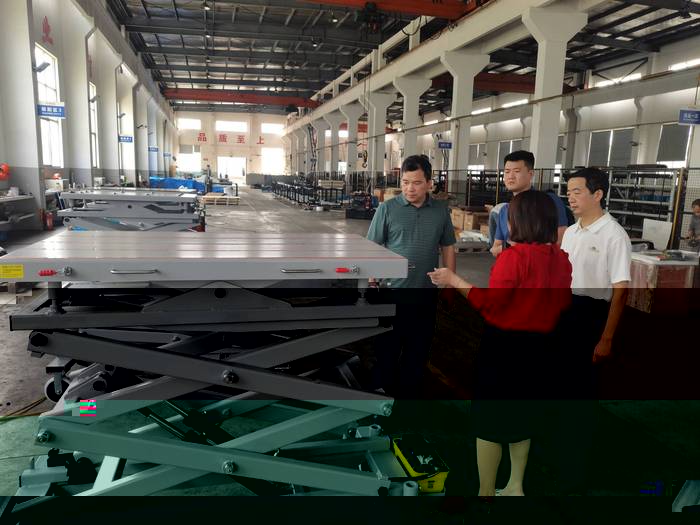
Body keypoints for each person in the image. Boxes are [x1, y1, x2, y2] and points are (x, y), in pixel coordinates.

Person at [429, 191, 572, 497]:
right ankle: (515, 485)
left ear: (518, 221)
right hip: (542, 348)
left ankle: (486, 492)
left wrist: (453, 279)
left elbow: (491, 304)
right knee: (523, 416)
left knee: (490, 421)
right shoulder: (561, 259)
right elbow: (562, 304)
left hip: (505, 349)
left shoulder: (514, 258)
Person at [556, 167, 632, 494]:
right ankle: (560, 456)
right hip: (566, 315)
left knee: (582, 396)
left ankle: (576, 470)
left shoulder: (613, 235)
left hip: (591, 319)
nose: (570, 198)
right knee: (562, 390)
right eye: (569, 192)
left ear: (598, 194)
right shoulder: (572, 232)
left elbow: (621, 290)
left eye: (577, 192)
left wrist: (606, 338)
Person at [366, 154, 456, 397]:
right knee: (387, 346)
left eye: (416, 183)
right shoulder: (387, 209)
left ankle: (409, 395)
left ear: (429, 183)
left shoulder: (440, 211)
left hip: (425, 294)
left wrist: (449, 284)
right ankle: (381, 394)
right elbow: (372, 246)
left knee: (418, 349)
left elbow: (448, 246)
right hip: (391, 293)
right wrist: (371, 280)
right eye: (405, 182)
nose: (410, 189)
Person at [491, 150, 569, 257]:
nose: (510, 176)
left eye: (516, 171)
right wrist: (512, 247)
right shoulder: (505, 210)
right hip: (511, 265)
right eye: (507, 171)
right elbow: (495, 249)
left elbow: (560, 239)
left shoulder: (548, 201)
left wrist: (513, 247)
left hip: (542, 265)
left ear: (530, 174)